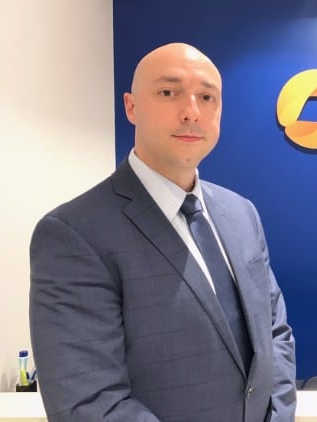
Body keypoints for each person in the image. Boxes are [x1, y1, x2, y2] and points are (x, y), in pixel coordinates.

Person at [29, 43, 296, 421]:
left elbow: (274, 334)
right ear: (131, 107)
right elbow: (90, 401)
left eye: (207, 97)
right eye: (168, 92)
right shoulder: (74, 234)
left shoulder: (241, 214)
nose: (191, 112)